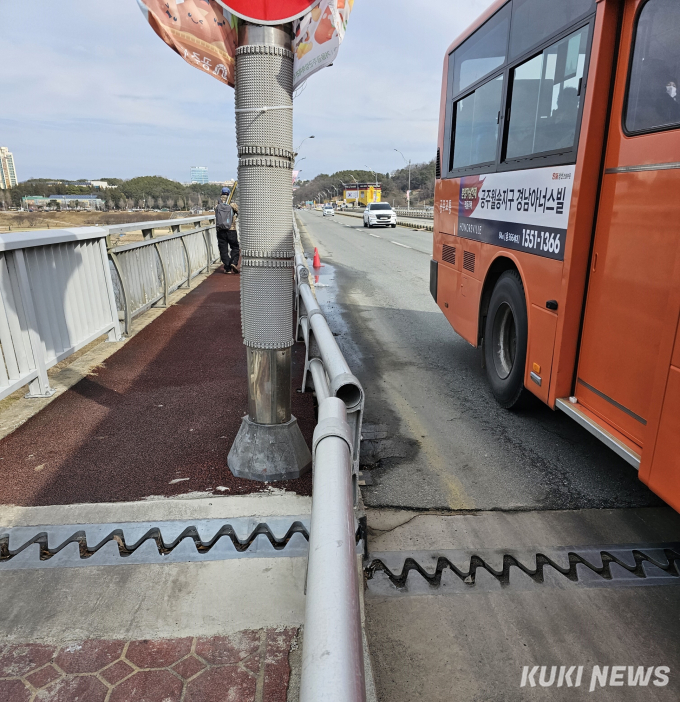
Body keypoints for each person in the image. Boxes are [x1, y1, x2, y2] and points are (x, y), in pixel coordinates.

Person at [215, 187, 239, 274]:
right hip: (231, 229)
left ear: (221, 193)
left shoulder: (218, 204)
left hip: (220, 230)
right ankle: (233, 262)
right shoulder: (232, 204)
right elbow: (239, 212)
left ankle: (227, 267)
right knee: (235, 247)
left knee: (223, 249)